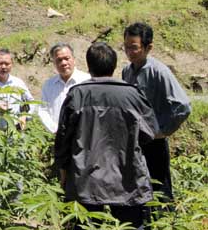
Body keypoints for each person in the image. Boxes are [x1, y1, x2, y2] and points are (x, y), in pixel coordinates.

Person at [55, 42, 158, 229]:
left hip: (86, 180)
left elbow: (63, 138)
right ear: (114, 65)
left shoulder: (77, 94)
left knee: (87, 226)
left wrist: (63, 171)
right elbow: (150, 133)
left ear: (89, 66)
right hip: (127, 179)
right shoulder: (132, 94)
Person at [122, 22, 191, 203]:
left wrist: (162, 131)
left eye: (134, 47)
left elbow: (182, 106)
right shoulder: (126, 71)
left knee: (160, 191)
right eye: (126, 47)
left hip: (154, 143)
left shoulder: (159, 71)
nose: (129, 51)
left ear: (148, 47)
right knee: (137, 189)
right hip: (135, 141)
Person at [41, 43, 89, 129]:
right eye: (59, 60)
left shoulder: (87, 81)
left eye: (67, 58)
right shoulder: (48, 85)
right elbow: (43, 110)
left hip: (82, 135)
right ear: (54, 63)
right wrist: (54, 129)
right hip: (56, 136)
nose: (64, 63)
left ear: (74, 59)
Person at [0, 49, 35, 128]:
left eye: (7, 64)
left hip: (16, 129)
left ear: (12, 64)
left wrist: (25, 116)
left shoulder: (18, 83)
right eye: (0, 63)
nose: (3, 67)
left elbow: (32, 102)